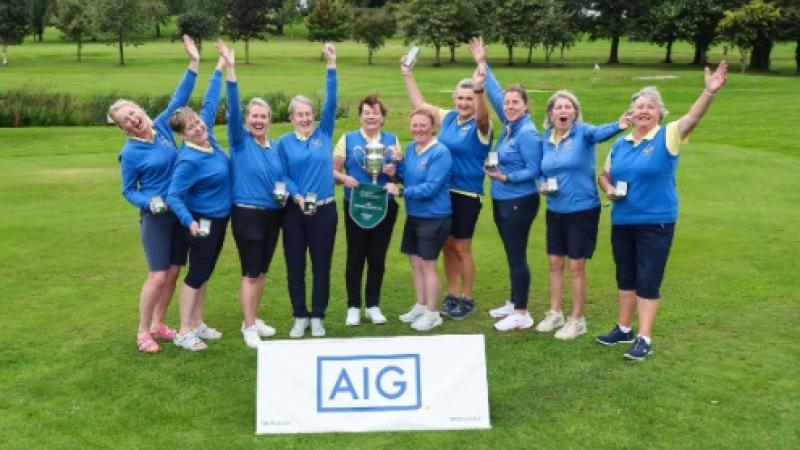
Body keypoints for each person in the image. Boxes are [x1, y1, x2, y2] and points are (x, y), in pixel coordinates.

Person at [596, 61, 728, 360]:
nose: (644, 111)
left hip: (655, 222)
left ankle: (644, 337)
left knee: (648, 278)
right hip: (623, 220)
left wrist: (709, 92)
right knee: (625, 276)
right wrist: (609, 188)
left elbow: (693, 117)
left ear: (659, 112)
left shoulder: (667, 135)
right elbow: (604, 175)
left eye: (650, 106)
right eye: (639, 107)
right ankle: (623, 328)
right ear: (631, 113)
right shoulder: (620, 144)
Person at [112, 35, 199, 354]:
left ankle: (159, 325)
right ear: (123, 127)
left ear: (140, 110)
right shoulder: (130, 153)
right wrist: (149, 202)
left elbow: (180, 98)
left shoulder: (162, 128)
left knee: (174, 271)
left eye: (133, 112)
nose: (133, 119)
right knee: (159, 275)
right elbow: (127, 191)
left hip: (180, 211)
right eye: (126, 120)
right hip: (157, 218)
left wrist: (193, 63)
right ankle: (142, 331)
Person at [401, 51, 492, 320]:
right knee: (446, 246)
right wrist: (407, 74)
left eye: (469, 99)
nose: (464, 103)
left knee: (462, 247)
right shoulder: (450, 117)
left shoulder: (481, 125)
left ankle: (467, 297)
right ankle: (452, 295)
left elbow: (483, 118)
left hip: (466, 193)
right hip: (443, 193)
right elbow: (420, 105)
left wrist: (479, 90)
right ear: (455, 99)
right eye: (461, 98)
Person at [536, 90, 631, 340]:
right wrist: (541, 183)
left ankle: (577, 320)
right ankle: (555, 313)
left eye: (568, 107)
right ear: (551, 113)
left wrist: (619, 125)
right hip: (555, 209)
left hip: (582, 209)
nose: (563, 111)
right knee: (555, 263)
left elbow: (600, 133)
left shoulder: (583, 133)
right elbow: (541, 170)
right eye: (558, 107)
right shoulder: (546, 139)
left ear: (575, 113)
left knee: (576, 266)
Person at [468, 37, 542, 331]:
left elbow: (534, 170)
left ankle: (522, 312)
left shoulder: (527, 132)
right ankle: (513, 302)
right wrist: (482, 63)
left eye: (515, 103)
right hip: (503, 199)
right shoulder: (511, 124)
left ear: (526, 106)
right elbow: (495, 91)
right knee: (511, 253)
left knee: (517, 254)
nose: (509, 106)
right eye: (508, 103)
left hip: (519, 200)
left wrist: (507, 177)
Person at [166, 41, 233, 351]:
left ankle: (197, 322)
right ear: (182, 135)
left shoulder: (208, 136)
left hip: (219, 219)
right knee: (196, 274)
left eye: (197, 122)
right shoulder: (188, 160)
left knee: (205, 271)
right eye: (191, 128)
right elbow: (174, 196)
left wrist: (220, 65)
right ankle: (184, 331)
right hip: (202, 222)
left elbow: (210, 99)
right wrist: (189, 222)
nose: (198, 127)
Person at [224, 44, 284, 348]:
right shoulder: (239, 140)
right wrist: (231, 71)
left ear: (269, 120)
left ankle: (253, 317)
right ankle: (249, 327)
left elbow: (281, 178)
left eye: (263, 116)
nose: (258, 121)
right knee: (250, 272)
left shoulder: (275, 147)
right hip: (247, 213)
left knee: (261, 271)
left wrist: (285, 192)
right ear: (247, 119)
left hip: (273, 214)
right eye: (254, 116)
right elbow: (233, 109)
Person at [277, 43, 338, 338]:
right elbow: (282, 175)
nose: (305, 118)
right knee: (295, 265)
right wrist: (298, 196)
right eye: (299, 115)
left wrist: (331, 66)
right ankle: (300, 315)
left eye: (308, 113)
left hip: (325, 210)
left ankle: (318, 316)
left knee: (321, 265)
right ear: (291, 118)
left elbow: (332, 101)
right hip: (294, 212)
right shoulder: (284, 143)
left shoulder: (323, 133)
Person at [333, 94, 401, 326]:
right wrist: (345, 178)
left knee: (377, 257)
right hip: (357, 204)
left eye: (376, 113)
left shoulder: (392, 140)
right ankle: (353, 306)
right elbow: (333, 172)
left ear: (382, 117)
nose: (371, 116)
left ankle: (373, 305)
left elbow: (399, 177)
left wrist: (393, 173)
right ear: (360, 116)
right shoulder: (348, 139)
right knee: (355, 257)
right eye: (367, 113)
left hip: (384, 205)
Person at [385, 109, 452, 332]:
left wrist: (401, 192)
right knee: (415, 262)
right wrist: (395, 171)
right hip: (414, 215)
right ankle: (421, 305)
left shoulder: (440, 152)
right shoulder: (412, 148)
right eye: (415, 125)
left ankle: (433, 314)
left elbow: (431, 187)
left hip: (434, 216)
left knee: (428, 265)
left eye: (423, 125)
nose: (418, 129)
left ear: (433, 127)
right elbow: (408, 177)